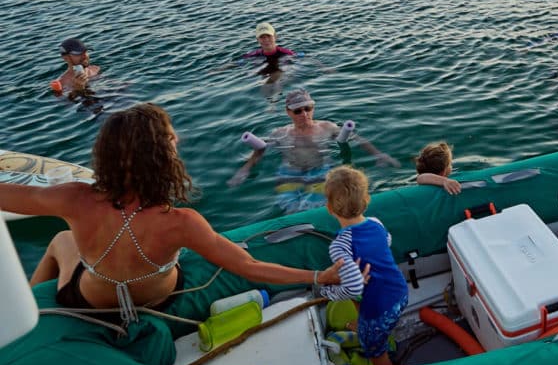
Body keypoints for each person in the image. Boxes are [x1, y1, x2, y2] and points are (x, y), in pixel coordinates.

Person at [0, 103, 345, 326]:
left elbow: (13, 195)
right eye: (170, 138)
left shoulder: (73, 199)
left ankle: (34, 311)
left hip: (91, 299)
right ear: (160, 156)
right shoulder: (181, 222)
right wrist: (319, 277)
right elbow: (250, 268)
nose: (177, 139)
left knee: (61, 240)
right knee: (213, 252)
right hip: (157, 297)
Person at [229, 89, 399, 211]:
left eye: (307, 108)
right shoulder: (279, 133)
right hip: (290, 171)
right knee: (290, 209)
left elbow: (356, 138)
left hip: (321, 169)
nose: (304, 114)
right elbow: (260, 151)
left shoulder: (326, 127)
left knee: (317, 208)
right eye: (298, 110)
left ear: (313, 108)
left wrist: (379, 154)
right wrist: (245, 169)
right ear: (288, 112)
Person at [320, 165, 408, 365]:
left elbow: (352, 288)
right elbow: (387, 241)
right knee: (354, 284)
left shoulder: (340, 245)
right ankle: (364, 324)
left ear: (329, 209)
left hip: (378, 308)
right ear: (366, 200)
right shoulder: (376, 223)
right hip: (400, 293)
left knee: (376, 353)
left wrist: (328, 292)